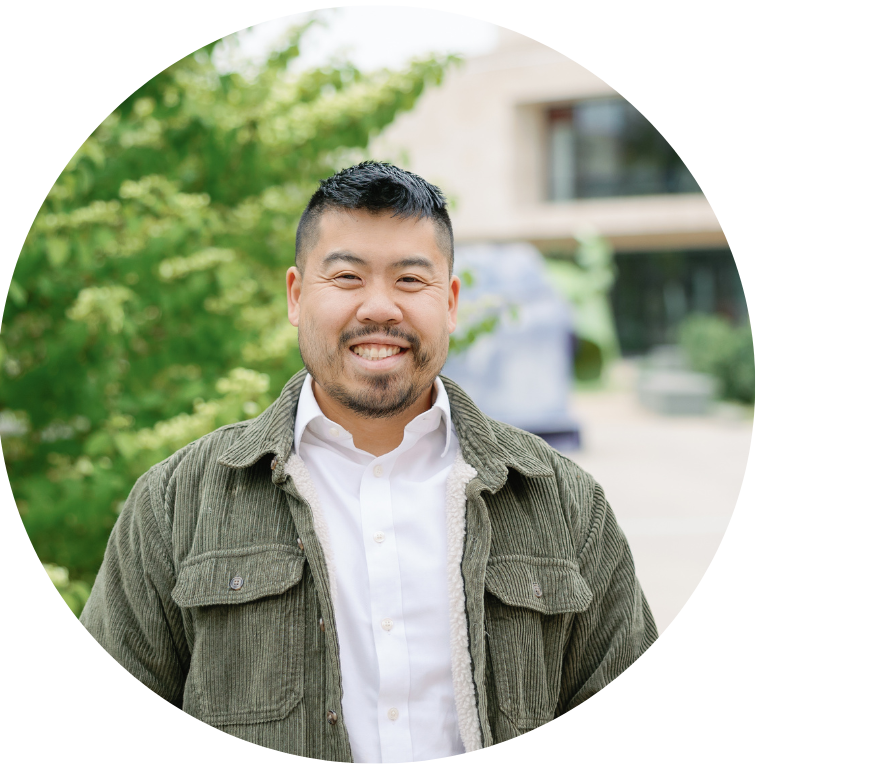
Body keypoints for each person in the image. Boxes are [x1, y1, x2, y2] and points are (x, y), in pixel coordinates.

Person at [79, 161, 658, 764]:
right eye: (348, 277)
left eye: (411, 280)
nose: (379, 308)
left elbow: (622, 723)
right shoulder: (178, 501)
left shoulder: (562, 501)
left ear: (452, 302)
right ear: (297, 296)